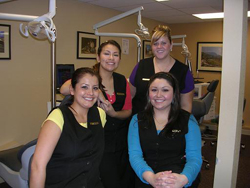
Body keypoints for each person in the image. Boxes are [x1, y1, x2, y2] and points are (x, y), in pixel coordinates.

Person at [60, 40, 133, 188]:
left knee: (126, 182)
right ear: (98, 57)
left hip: (123, 142)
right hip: (100, 142)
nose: (111, 58)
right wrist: (97, 90)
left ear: (119, 59)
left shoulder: (122, 80)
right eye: (106, 53)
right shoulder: (89, 78)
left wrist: (113, 113)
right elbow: (63, 89)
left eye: (115, 55)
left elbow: (128, 111)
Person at [30, 67, 106, 188]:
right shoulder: (59, 117)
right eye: (84, 87)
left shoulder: (100, 115)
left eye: (95, 88)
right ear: (72, 89)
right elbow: (37, 166)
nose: (90, 93)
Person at [128, 72, 202, 188]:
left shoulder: (188, 120)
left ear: (174, 93)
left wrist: (182, 180)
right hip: (147, 177)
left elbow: (194, 158)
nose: (158, 95)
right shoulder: (136, 120)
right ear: (148, 93)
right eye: (154, 90)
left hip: (179, 178)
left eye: (165, 90)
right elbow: (135, 155)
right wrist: (151, 178)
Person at [129, 25, 194, 115]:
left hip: (170, 123)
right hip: (140, 122)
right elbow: (130, 96)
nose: (159, 47)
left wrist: (179, 126)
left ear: (171, 45)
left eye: (164, 43)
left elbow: (186, 105)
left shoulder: (183, 71)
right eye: (155, 43)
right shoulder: (141, 66)